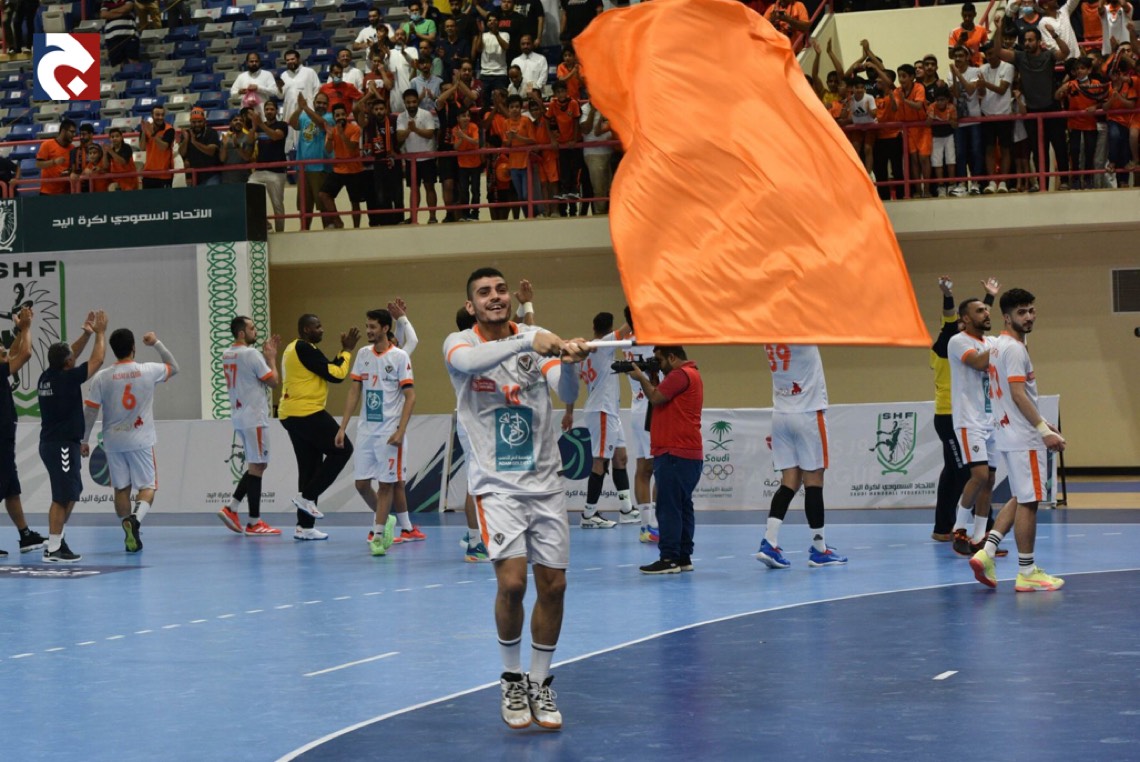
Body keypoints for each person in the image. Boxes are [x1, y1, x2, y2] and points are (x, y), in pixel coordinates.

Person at [442, 267, 586, 731]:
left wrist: (569, 362)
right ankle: (510, 678)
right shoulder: (459, 342)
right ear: (471, 305)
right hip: (497, 487)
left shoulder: (536, 340)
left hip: (546, 484)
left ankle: (539, 681)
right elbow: (469, 364)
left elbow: (566, 391)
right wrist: (528, 338)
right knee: (512, 584)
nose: (495, 296)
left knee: (554, 587)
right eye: (484, 292)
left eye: (501, 290)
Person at [970, 288, 1067, 592]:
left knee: (1022, 495)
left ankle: (986, 552)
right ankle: (1026, 572)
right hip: (1024, 437)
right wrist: (1042, 431)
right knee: (1030, 501)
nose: (1028, 317)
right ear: (1007, 317)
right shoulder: (1014, 349)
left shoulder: (997, 346)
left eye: (1031, 311)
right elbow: (1017, 394)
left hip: (1009, 433)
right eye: (1021, 312)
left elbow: (1015, 397)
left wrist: (1042, 422)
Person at [83, 328, 179, 552]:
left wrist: (84, 439)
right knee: (148, 487)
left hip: (113, 442)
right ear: (133, 347)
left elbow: (90, 411)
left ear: (113, 350)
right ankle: (135, 520)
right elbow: (174, 367)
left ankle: (128, 527)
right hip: (140, 440)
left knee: (121, 489)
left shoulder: (102, 377)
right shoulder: (147, 370)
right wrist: (156, 343)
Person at [754, 344, 847, 570]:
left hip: (781, 414)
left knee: (790, 481)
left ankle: (769, 541)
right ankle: (819, 549)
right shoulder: (804, 336)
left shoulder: (768, 340)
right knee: (814, 480)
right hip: (808, 411)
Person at [335, 310, 415, 557]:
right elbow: (354, 391)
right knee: (361, 484)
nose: (368, 331)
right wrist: (342, 427)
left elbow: (410, 396)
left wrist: (401, 430)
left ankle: (378, 535)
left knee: (386, 485)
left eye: (372, 327)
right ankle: (386, 519)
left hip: (389, 433)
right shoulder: (363, 354)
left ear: (385, 328)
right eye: (367, 326)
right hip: (366, 431)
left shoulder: (400, 356)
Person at [279, 314, 359, 541]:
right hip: (306, 413)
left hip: (291, 414)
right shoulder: (303, 348)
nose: (322, 329)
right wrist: (348, 350)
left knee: (310, 468)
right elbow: (336, 374)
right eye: (318, 326)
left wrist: (340, 353)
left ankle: (304, 527)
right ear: (306, 329)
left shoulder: (296, 348)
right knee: (343, 450)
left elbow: (327, 367)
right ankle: (307, 497)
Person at [37, 311, 107, 562]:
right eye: (71, 359)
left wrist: (86, 334)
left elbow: (69, 354)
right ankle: (53, 548)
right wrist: (100, 333)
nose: (74, 359)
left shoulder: (48, 376)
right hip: (62, 446)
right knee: (62, 497)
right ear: (68, 363)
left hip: (55, 444)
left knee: (69, 493)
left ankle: (57, 538)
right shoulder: (68, 379)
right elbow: (98, 360)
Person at [627, 346, 703, 574]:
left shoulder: (680, 375)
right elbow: (662, 395)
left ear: (672, 357)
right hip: (686, 452)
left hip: (674, 451)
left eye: (659, 360)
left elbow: (655, 397)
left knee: (668, 507)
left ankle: (669, 558)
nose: (658, 365)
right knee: (682, 505)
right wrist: (651, 377)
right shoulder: (691, 374)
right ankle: (683, 557)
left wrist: (640, 378)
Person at [564, 312, 637, 529]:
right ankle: (589, 514)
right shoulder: (603, 345)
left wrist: (569, 412)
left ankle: (626, 510)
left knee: (620, 458)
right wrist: (637, 310)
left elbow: (572, 386)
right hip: (602, 410)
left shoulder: (585, 351)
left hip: (609, 411)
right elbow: (626, 329)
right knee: (600, 461)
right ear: (609, 329)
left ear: (593, 326)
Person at [947, 291, 1002, 557]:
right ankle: (959, 529)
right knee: (978, 475)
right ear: (966, 319)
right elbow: (980, 363)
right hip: (969, 420)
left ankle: (980, 537)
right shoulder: (958, 341)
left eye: (987, 309)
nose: (987, 313)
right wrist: (1005, 343)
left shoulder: (992, 341)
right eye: (980, 311)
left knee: (989, 480)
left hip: (991, 419)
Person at [217, 317, 281, 537]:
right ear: (241, 333)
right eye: (252, 328)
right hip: (254, 416)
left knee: (257, 465)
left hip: (240, 415)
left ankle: (233, 508)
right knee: (258, 465)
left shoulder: (227, 354)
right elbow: (273, 381)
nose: (256, 331)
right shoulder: (251, 354)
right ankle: (253, 521)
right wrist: (271, 358)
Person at [0, 305, 46, 557]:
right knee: (4, 486)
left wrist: (20, 330)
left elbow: (14, 351)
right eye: (0, 352)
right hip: (0, 439)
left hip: (5, 438)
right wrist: (27, 328)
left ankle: (25, 535)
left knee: (11, 489)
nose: (5, 353)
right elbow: (25, 353)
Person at [319, 102, 369, 229]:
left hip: (354, 170)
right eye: (337, 115)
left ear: (346, 115)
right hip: (338, 169)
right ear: (334, 117)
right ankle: (338, 222)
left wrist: (341, 134)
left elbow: (351, 148)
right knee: (323, 194)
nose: (340, 117)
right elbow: (328, 150)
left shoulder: (355, 129)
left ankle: (356, 229)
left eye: (342, 114)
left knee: (355, 202)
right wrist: (330, 137)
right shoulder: (332, 130)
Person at [290, 93, 335, 230]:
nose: (321, 105)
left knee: (323, 204)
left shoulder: (330, 117)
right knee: (304, 205)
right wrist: (299, 109)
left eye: (324, 103)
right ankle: (304, 230)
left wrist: (305, 108)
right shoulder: (304, 116)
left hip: (321, 168)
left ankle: (329, 229)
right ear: (314, 103)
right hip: (303, 168)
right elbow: (292, 123)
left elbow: (321, 124)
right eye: (318, 102)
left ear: (328, 105)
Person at [396, 89, 440, 224]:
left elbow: (430, 134)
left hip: (427, 157)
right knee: (413, 189)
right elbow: (399, 137)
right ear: (404, 103)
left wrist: (414, 129)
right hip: (411, 158)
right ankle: (413, 217)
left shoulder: (426, 114)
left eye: (414, 102)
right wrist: (410, 130)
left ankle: (432, 217)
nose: (411, 105)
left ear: (417, 102)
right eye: (408, 102)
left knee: (429, 187)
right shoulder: (401, 117)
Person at [249, 101, 289, 232]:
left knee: (277, 205)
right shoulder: (259, 126)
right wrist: (254, 127)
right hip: (259, 171)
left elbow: (276, 136)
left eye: (272, 109)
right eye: (267, 109)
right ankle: (265, 223)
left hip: (277, 171)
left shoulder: (282, 125)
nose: (269, 111)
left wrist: (261, 124)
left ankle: (280, 233)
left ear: (276, 111)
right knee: (249, 192)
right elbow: (250, 141)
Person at [279, 50, 322, 155]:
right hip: (290, 115)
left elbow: (317, 91)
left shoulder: (309, 72)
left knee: (308, 141)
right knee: (290, 145)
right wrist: (278, 88)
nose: (290, 61)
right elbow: (281, 96)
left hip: (307, 114)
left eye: (292, 59)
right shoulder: (284, 75)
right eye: (287, 60)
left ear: (298, 59)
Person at [230, 52, 282, 119]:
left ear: (259, 62)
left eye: (256, 61)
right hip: (246, 115)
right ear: (247, 63)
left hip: (263, 114)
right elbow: (232, 93)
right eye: (251, 61)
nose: (254, 63)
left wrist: (258, 88)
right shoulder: (241, 77)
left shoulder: (267, 74)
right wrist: (239, 92)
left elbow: (273, 91)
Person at [36, 119, 76, 195]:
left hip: (66, 192)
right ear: (63, 131)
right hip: (47, 192)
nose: (74, 135)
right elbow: (39, 164)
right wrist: (54, 162)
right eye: (72, 132)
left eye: (74, 132)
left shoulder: (73, 148)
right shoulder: (47, 144)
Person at [139, 105, 175, 190]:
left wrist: (152, 134)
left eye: (162, 115)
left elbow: (163, 147)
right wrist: (144, 131)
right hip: (148, 173)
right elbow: (142, 148)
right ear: (152, 115)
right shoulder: (147, 129)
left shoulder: (169, 129)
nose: (160, 117)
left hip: (164, 174)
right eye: (157, 115)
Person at [100, 0, 140, 67]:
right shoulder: (106, 2)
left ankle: (137, 73)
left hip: (129, 35)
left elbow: (127, 8)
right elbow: (104, 15)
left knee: (133, 59)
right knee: (117, 63)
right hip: (112, 37)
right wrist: (121, 13)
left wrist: (111, 11)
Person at [105, 127, 138, 191]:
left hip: (129, 180)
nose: (114, 138)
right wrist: (104, 153)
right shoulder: (110, 150)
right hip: (117, 180)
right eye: (112, 137)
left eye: (117, 136)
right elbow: (106, 166)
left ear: (121, 137)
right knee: (111, 187)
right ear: (110, 139)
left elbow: (123, 162)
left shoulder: (127, 147)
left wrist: (110, 151)